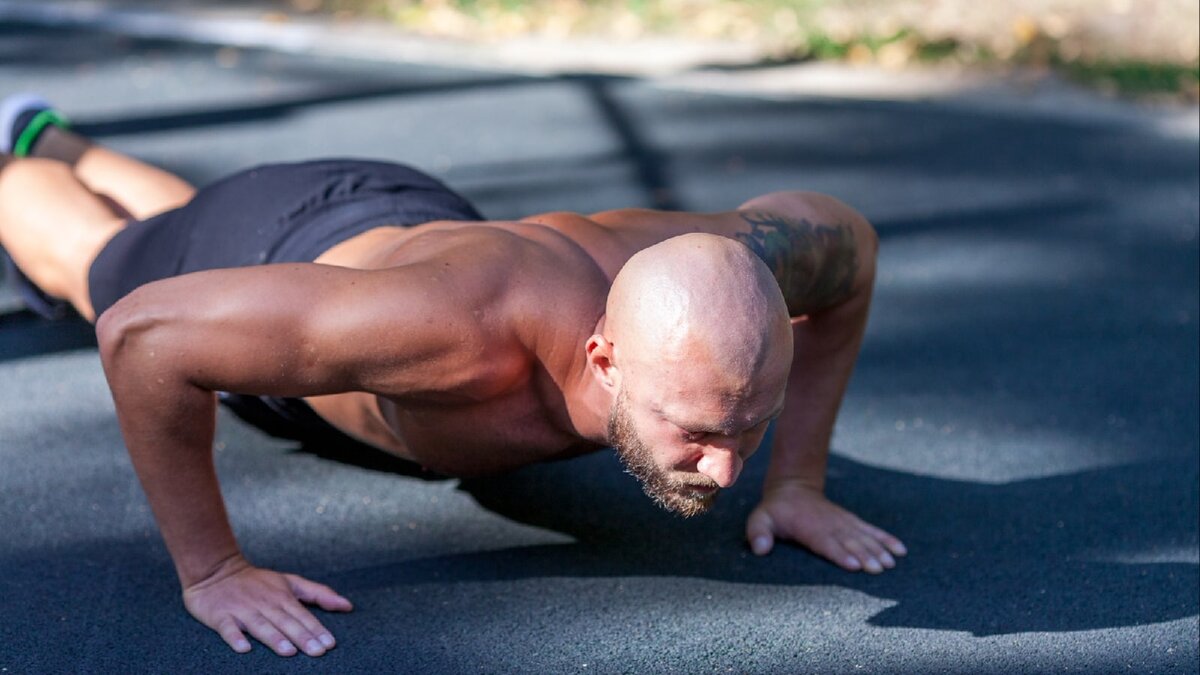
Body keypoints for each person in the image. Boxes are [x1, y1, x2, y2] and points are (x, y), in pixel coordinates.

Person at [0, 94, 906, 658]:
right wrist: (213, 568)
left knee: (180, 224)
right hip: (297, 252)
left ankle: (50, 137)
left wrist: (797, 479)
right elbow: (142, 336)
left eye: (747, 426)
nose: (724, 468)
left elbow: (854, 249)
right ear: (605, 355)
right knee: (99, 262)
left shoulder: (762, 261)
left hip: (413, 217)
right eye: (697, 432)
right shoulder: (461, 339)